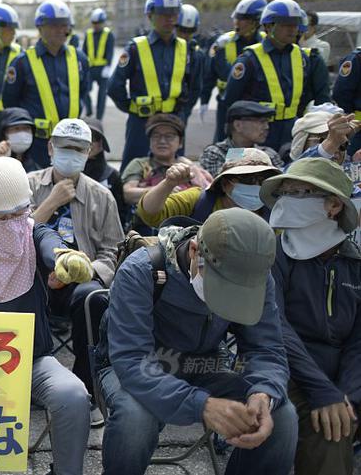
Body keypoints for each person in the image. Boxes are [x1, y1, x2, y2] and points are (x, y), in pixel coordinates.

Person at [97, 208, 298, 475]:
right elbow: (133, 361)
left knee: (282, 416)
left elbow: (267, 347)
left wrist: (264, 392)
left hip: (203, 362)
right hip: (135, 365)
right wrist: (201, 404)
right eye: (220, 285)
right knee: (135, 419)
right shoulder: (140, 271)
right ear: (194, 251)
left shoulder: (257, 278)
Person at [0, 156, 93, 475]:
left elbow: (51, 244)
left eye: (19, 213)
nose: (13, 223)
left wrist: (64, 259)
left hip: (35, 360)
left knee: (74, 395)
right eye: (1, 218)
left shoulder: (32, 234)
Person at [261, 158, 360, 475]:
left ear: (333, 206)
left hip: (344, 374)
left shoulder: (354, 260)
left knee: (341, 416)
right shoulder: (272, 254)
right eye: (284, 192)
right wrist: (324, 392)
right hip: (287, 368)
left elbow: (359, 339)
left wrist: (349, 394)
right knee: (328, 429)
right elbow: (276, 328)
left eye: (299, 192)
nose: (287, 199)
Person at [27, 118, 124, 421]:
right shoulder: (28, 184)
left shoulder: (101, 195)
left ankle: (85, 386)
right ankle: (29, 382)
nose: (71, 154)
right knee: (16, 291)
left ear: (89, 153)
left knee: (92, 298)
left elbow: (113, 250)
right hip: (34, 274)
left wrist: (86, 270)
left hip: (80, 280)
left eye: (79, 149)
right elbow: (13, 235)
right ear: (50, 148)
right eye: (65, 147)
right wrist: (51, 201)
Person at [109, 0, 195, 169]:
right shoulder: (135, 48)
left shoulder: (185, 48)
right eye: (163, 13)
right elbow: (114, 86)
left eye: (174, 13)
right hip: (142, 122)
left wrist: (182, 115)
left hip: (173, 121)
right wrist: (133, 108)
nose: (170, 18)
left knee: (175, 173)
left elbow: (194, 86)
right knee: (134, 169)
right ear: (150, 16)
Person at [2, 0, 89, 167]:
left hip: (71, 142)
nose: (61, 30)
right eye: (54, 25)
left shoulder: (79, 59)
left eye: (64, 25)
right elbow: (10, 102)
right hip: (37, 144)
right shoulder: (22, 62)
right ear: (40, 27)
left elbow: (83, 93)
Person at [224, 0, 310, 151]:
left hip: (291, 130)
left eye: (295, 24)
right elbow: (232, 100)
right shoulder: (249, 59)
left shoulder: (301, 56)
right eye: (285, 24)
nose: (292, 29)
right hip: (257, 131)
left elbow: (306, 95)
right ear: (269, 27)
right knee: (250, 170)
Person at [137, 147, 281, 226]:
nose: (256, 186)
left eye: (263, 180)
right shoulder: (198, 200)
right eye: (248, 180)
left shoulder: (275, 215)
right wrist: (168, 183)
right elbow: (150, 214)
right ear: (225, 184)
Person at [201, 0, 267, 142]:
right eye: (237, 18)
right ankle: (223, 165)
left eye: (243, 19)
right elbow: (209, 74)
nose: (237, 23)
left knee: (249, 145)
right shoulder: (222, 43)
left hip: (254, 104)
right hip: (227, 102)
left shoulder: (265, 43)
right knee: (223, 141)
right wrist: (205, 99)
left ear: (256, 22)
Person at [198, 101, 285, 175]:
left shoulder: (268, 153)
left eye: (267, 122)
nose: (266, 127)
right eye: (261, 122)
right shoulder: (215, 153)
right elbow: (217, 185)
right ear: (238, 125)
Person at [82, 117, 127, 227]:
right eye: (83, 138)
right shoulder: (63, 173)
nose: (89, 143)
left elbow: (120, 216)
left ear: (101, 144)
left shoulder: (112, 176)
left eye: (94, 138)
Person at [82, 8, 115, 120]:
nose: (96, 25)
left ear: (103, 22)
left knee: (102, 95)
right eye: (94, 23)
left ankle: (99, 117)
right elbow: (84, 51)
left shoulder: (108, 34)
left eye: (98, 23)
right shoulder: (89, 34)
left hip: (102, 69)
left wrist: (108, 67)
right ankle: (90, 110)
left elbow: (110, 52)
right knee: (85, 90)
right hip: (90, 69)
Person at [176, 3, 205, 120]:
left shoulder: (196, 55)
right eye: (182, 30)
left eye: (190, 31)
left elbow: (196, 87)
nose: (185, 35)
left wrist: (186, 110)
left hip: (181, 111)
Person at [332, 46, 361, 157]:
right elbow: (341, 92)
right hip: (357, 127)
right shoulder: (356, 58)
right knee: (353, 166)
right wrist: (350, 117)